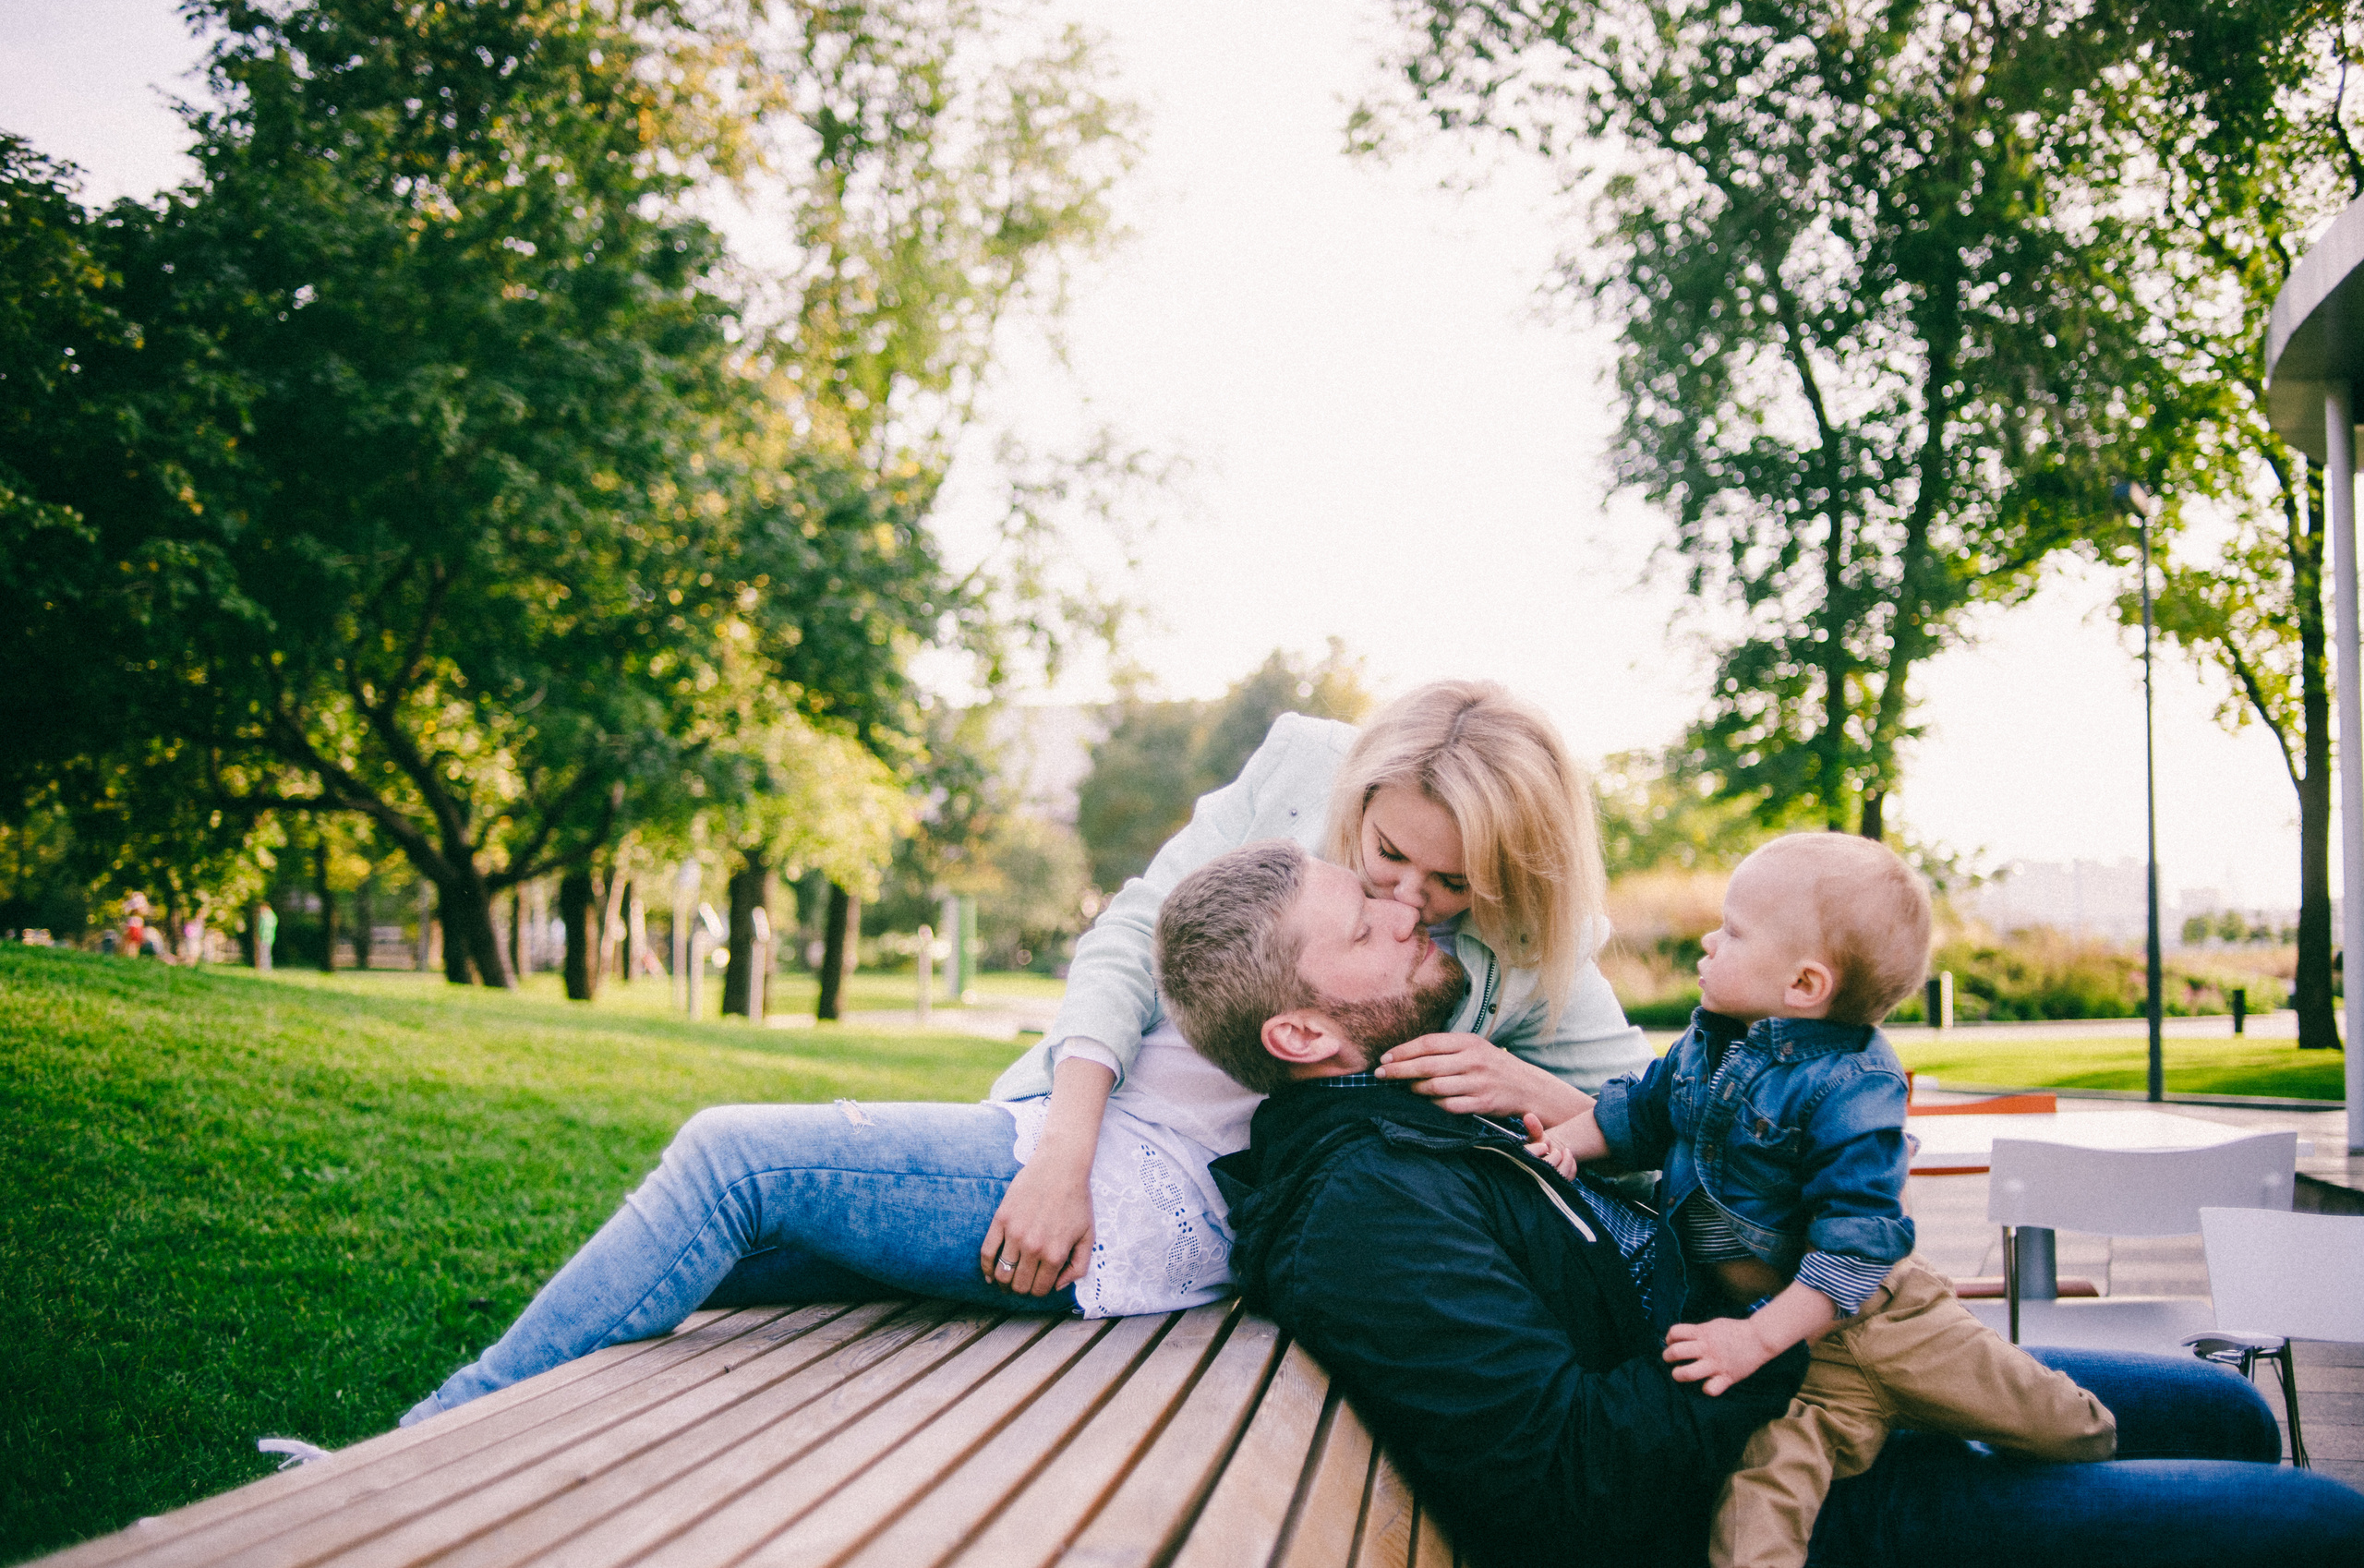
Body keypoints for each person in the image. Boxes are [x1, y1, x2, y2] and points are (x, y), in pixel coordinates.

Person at [400, 681, 1649, 1423]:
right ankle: (503, 1455)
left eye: (1454, 883)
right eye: (1387, 859)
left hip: (1163, 1205)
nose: (1414, 901)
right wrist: (1061, 1140)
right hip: (1079, 1143)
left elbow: (1649, 1115)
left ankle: (419, 1447)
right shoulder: (1302, 769)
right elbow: (1129, 939)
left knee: (733, 1165)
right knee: (728, 1260)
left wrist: (1544, 1093)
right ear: (1359, 800)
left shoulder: (1538, 950)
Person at [1155, 838, 2364, 1568]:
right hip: (1768, 1485)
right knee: (2315, 1526)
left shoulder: (1401, 1105)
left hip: (1781, 1370)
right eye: (1365, 923)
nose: (1407, 907)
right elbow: (1573, 1476)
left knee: (2220, 1409)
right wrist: (1792, 1326)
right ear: (1303, 1029)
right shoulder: (1362, 1208)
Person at [1527, 833, 2113, 1568]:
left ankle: (2128, 1460)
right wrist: (1567, 1144)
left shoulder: (1853, 1089)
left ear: (1805, 985)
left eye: (1734, 930)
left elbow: (1852, 1252)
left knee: (2062, 1424)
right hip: (1795, 1367)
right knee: (1752, 1516)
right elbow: (1637, 1114)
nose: (1709, 939)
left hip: (1887, 1325)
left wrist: (1752, 1339)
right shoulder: (1705, 1046)